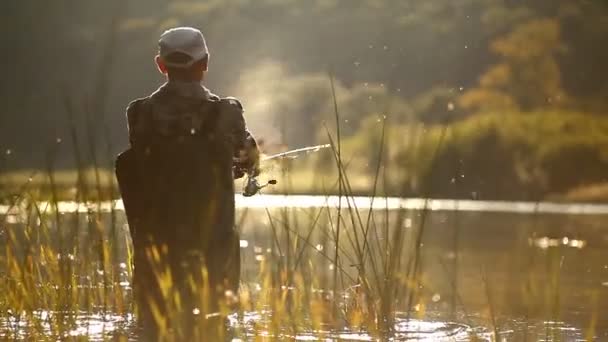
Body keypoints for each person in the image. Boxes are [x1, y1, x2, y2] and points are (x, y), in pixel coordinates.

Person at [115, 27, 260, 339]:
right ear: (205, 63)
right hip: (212, 244)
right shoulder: (227, 112)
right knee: (213, 323)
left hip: (155, 246)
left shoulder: (139, 112)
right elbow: (245, 160)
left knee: (154, 324)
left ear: (160, 64)